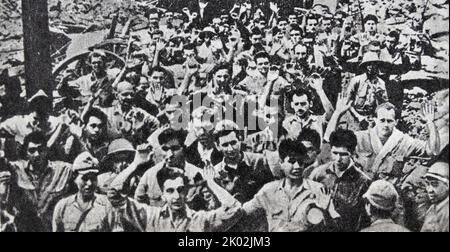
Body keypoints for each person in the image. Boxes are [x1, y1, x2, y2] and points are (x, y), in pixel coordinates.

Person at [106, 162, 243, 232]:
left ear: (186, 192)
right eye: (170, 191)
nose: (176, 196)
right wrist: (135, 164)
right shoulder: (150, 216)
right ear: (163, 195)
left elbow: (235, 209)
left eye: (180, 190)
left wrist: (210, 182)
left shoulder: (200, 220)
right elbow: (113, 195)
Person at [243, 138, 338, 232]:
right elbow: (242, 212)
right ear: (281, 163)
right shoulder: (268, 190)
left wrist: (324, 212)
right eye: (291, 161)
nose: (297, 167)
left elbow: (334, 226)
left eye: (300, 162)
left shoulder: (319, 190)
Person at [8, 131, 73, 231]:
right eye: (32, 150)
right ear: (26, 152)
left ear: (46, 150)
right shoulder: (17, 170)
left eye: (41, 150)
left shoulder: (64, 170)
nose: (37, 154)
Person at [310, 128, 372, 232]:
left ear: (352, 153)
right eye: (335, 153)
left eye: (343, 154)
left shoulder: (364, 182)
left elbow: (366, 221)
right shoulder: (318, 174)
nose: (338, 159)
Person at [52, 152, 114, 232]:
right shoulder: (62, 206)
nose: (89, 183)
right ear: (75, 177)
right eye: (85, 178)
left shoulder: (107, 205)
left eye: (93, 178)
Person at [102, 81, 160, 145]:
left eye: (131, 95)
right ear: (116, 95)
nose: (129, 97)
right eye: (125, 94)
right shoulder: (108, 112)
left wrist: (145, 139)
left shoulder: (139, 113)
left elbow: (156, 124)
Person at [421, 162, 449, 232]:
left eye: (435, 184)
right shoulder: (433, 208)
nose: (429, 190)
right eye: (427, 184)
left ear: (447, 186)